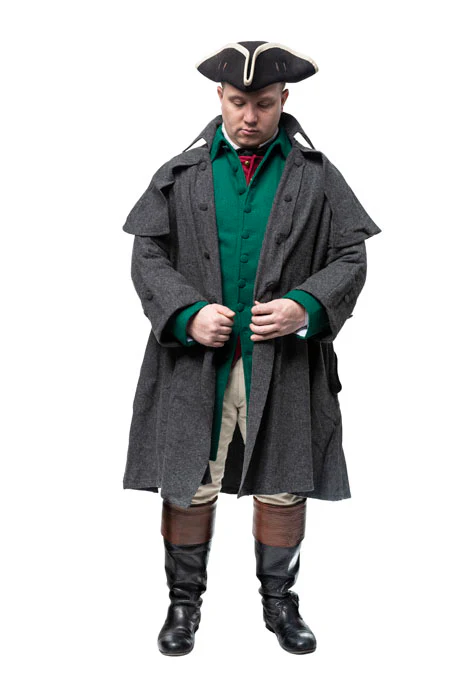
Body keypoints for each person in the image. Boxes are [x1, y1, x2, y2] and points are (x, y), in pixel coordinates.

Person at [122, 41, 382, 657]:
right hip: (196, 364)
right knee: (189, 481)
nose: (249, 116)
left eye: (263, 103)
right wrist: (187, 314)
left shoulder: (316, 175)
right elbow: (147, 255)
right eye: (238, 102)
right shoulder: (180, 173)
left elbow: (350, 256)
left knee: (284, 481)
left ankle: (280, 602)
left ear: (283, 99)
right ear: (219, 95)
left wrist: (305, 306)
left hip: (283, 362)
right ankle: (183, 605)